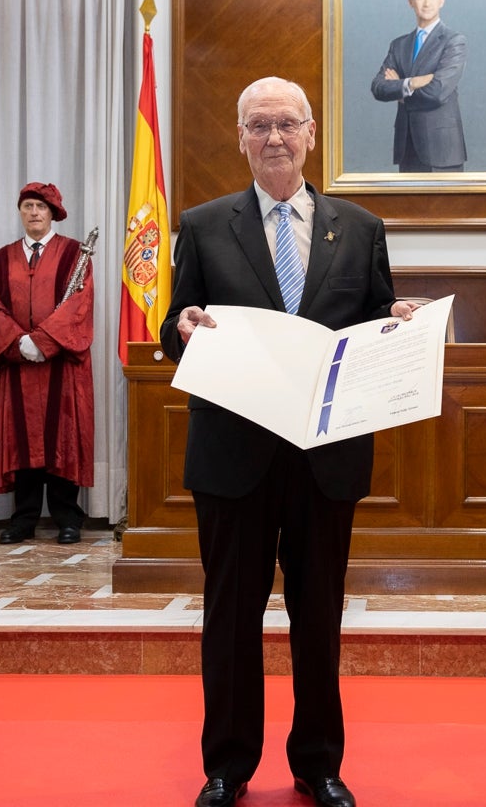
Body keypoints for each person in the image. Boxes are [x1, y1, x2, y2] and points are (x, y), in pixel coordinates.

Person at [160, 76, 417, 807]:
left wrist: (394, 317)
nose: (273, 137)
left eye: (286, 124)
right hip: (233, 456)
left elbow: (373, 314)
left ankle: (318, 764)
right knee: (231, 617)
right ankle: (227, 767)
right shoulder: (205, 225)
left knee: (319, 616)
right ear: (240, 137)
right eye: (258, 125)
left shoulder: (360, 227)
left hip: (325, 458)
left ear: (310, 133)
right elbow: (175, 324)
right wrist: (180, 329)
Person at [0, 182, 94, 546]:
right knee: (21, 439)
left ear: (53, 213)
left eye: (40, 207)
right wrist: (19, 344)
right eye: (27, 206)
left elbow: (79, 305)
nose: (33, 213)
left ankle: (67, 519)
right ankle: (23, 519)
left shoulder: (76, 255)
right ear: (20, 212)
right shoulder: (2, 259)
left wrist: (42, 342)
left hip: (61, 364)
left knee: (62, 439)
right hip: (19, 366)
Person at [370, 0, 467, 172]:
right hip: (407, 147)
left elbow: (437, 92)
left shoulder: (454, 41)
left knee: (445, 205)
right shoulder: (399, 45)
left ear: (442, 1)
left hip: (442, 151)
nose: (427, 2)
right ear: (411, 1)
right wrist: (412, 83)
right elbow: (378, 87)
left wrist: (401, 92)